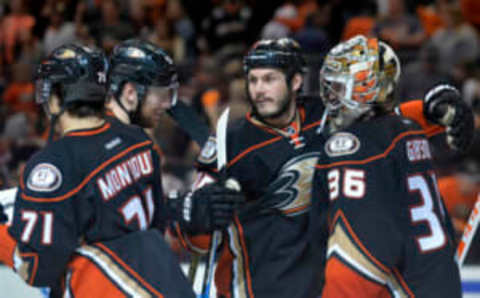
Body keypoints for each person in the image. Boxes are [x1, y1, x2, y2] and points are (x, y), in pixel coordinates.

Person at [175, 37, 473, 298]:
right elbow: (197, 238)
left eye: (269, 79)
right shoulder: (231, 141)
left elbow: (381, 124)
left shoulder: (328, 116)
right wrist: (197, 215)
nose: (259, 90)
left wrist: (432, 111)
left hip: (316, 285)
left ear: (294, 82)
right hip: (256, 286)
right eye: (253, 80)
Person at [0, 44, 240, 297]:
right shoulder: (138, 141)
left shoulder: (55, 162)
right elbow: (146, 222)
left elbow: (38, 268)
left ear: (58, 96)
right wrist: (183, 209)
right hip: (158, 280)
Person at [312, 35, 462, 297]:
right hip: (437, 280)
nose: (329, 98)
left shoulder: (352, 147)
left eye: (338, 88)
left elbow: (364, 247)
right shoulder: (409, 131)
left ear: (369, 87)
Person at [106, 38, 210, 147]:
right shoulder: (101, 143)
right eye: (161, 95)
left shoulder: (136, 125)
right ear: (130, 93)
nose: (168, 105)